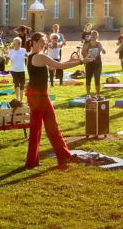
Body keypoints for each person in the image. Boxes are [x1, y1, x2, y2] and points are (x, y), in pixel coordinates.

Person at [25, 32, 92, 168]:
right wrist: (80, 62)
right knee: (53, 128)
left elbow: (55, 65)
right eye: (43, 41)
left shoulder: (31, 57)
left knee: (35, 130)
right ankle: (64, 157)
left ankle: (32, 161)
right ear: (35, 42)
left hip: (34, 98)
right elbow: (60, 66)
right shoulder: (40, 56)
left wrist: (72, 60)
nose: (45, 44)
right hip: (42, 98)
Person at [82, 30, 106, 97]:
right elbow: (83, 53)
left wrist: (102, 48)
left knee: (97, 79)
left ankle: (97, 94)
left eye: (94, 34)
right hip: (89, 64)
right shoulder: (88, 44)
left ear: (97, 36)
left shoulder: (99, 43)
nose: (92, 36)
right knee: (88, 78)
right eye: (92, 34)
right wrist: (84, 50)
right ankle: (88, 94)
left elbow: (104, 51)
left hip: (97, 64)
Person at [7, 37, 27, 102]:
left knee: (22, 84)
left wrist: (28, 55)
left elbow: (28, 56)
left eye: (20, 43)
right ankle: (18, 98)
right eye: (18, 43)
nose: (20, 44)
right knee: (16, 83)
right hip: (14, 69)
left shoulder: (23, 50)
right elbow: (6, 62)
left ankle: (21, 99)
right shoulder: (11, 52)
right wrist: (6, 59)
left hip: (22, 69)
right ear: (14, 44)